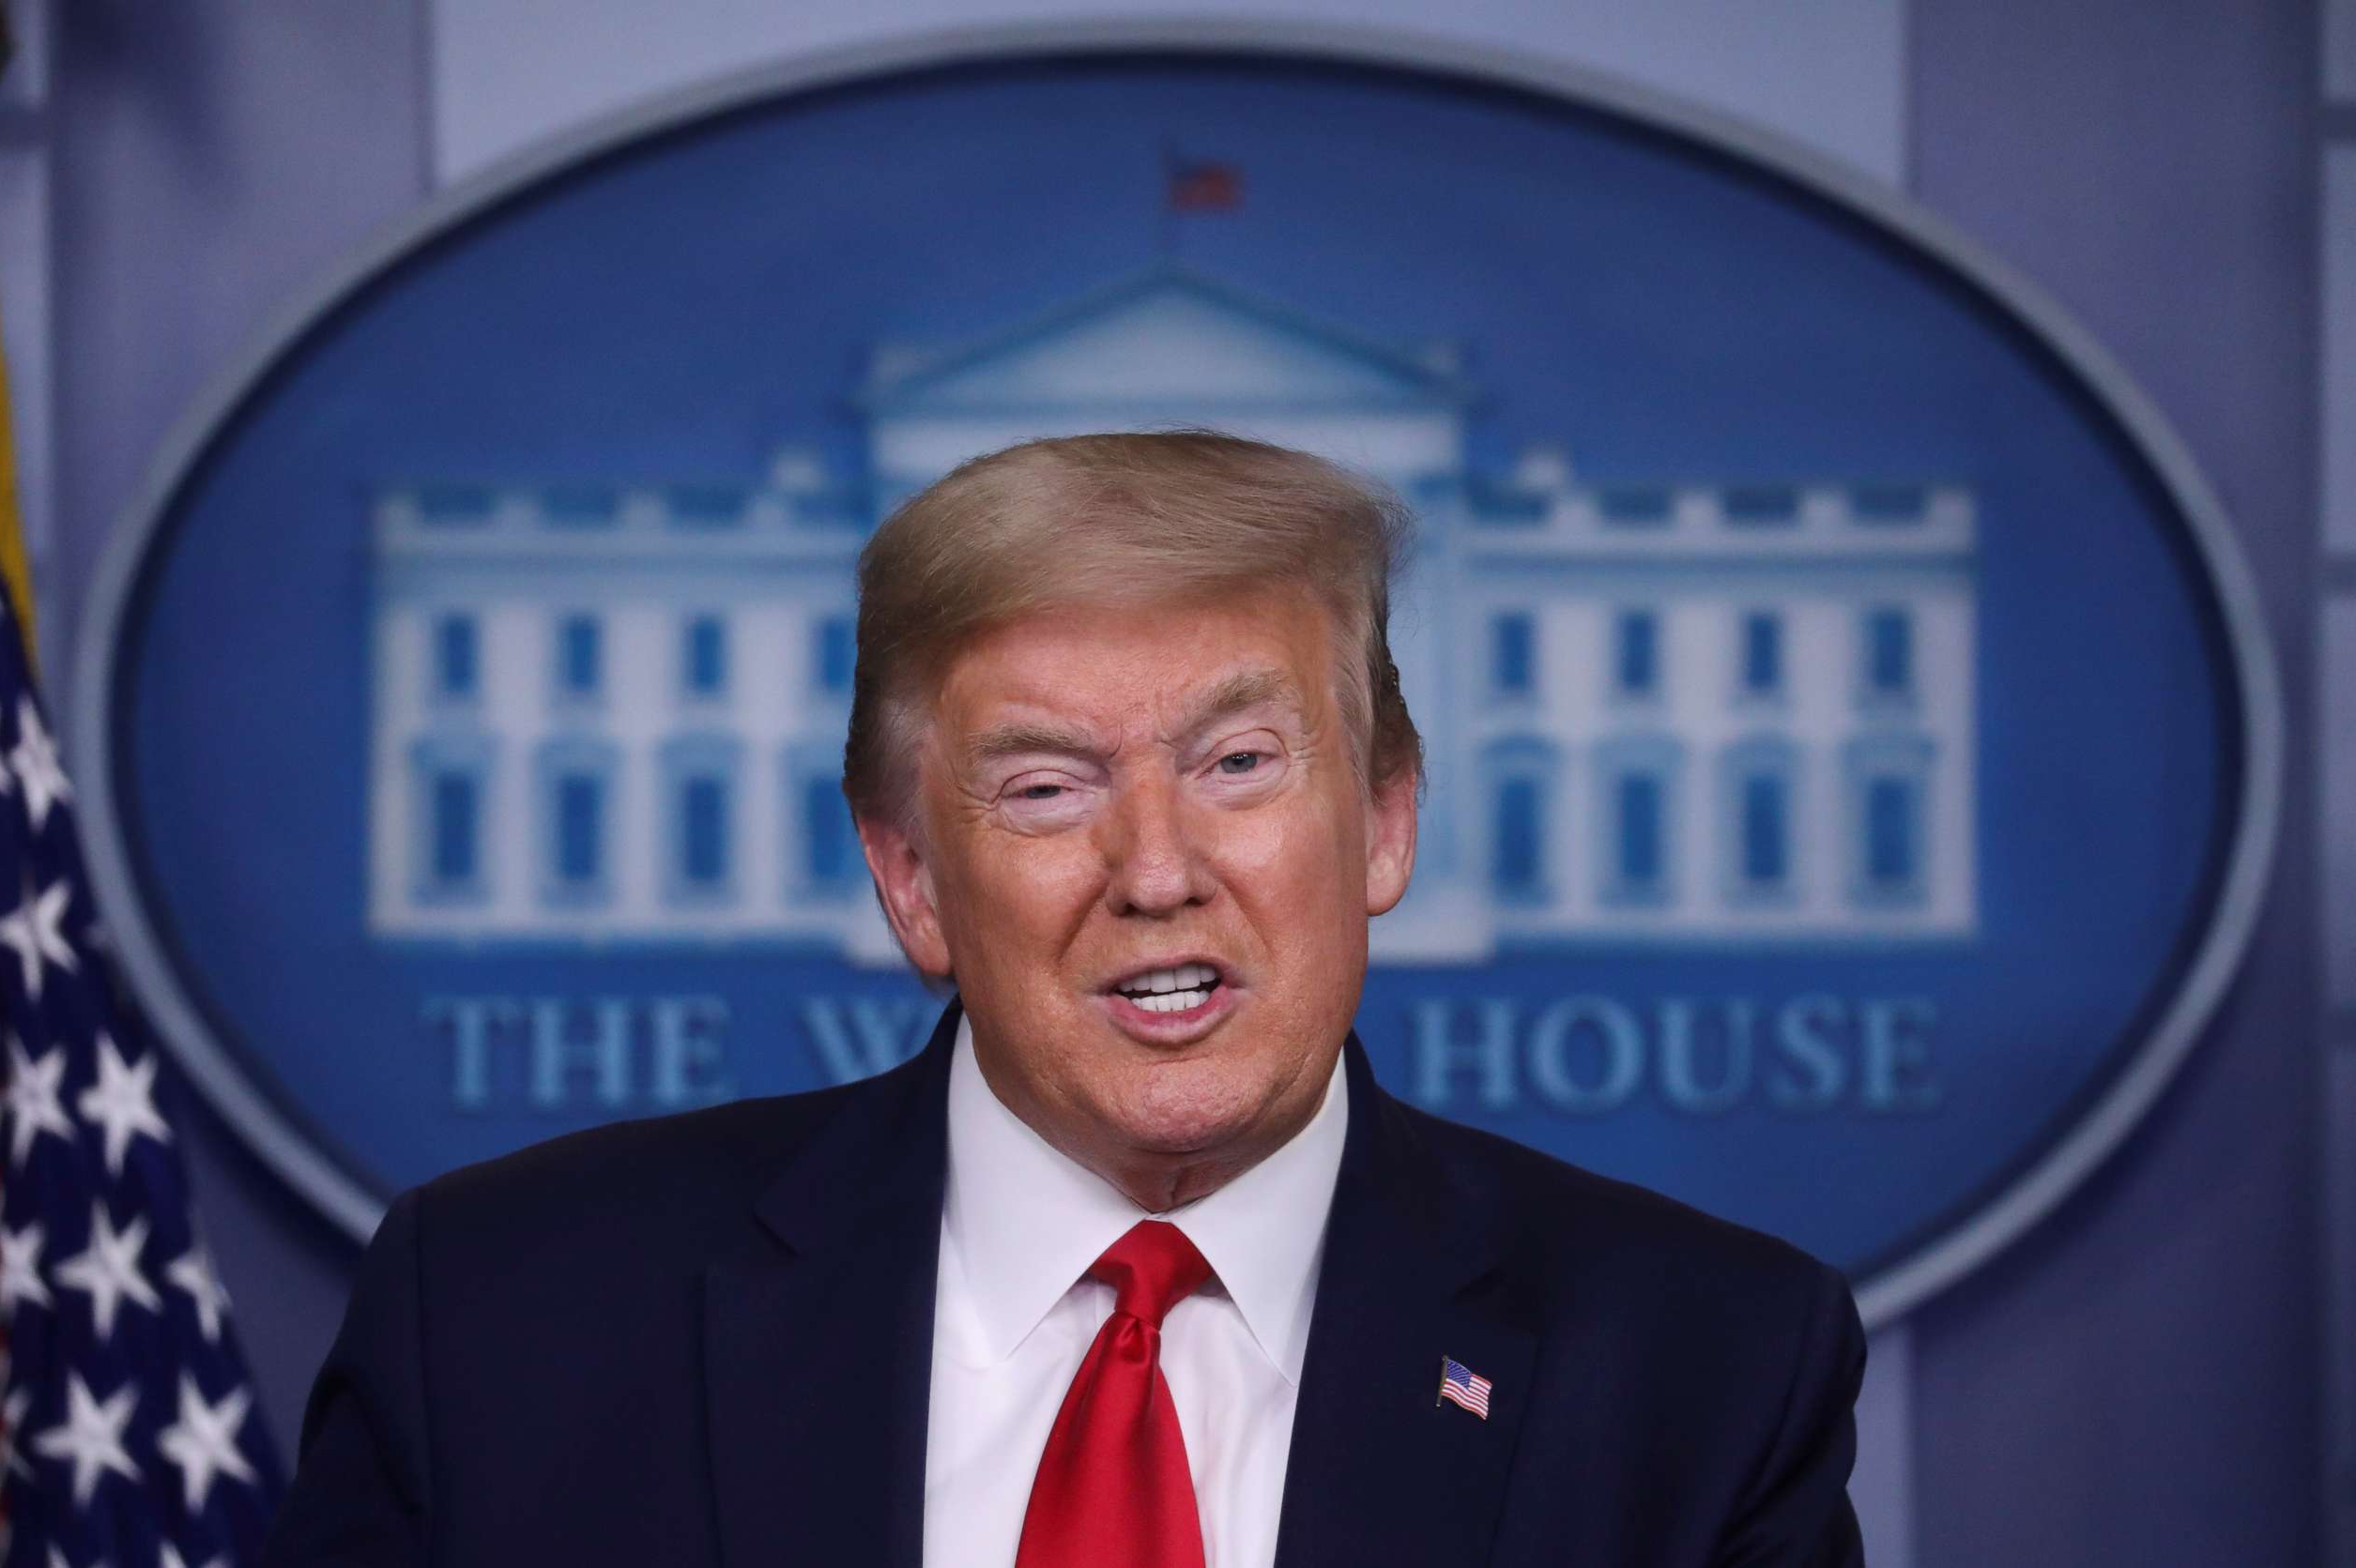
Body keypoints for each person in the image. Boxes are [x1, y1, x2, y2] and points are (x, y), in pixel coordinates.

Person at [261, 432, 1865, 1566]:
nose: (1157, 869)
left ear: (1383, 820)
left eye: (1240, 765)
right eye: (1043, 787)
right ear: (909, 880)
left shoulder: (1700, 1367)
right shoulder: (503, 1319)